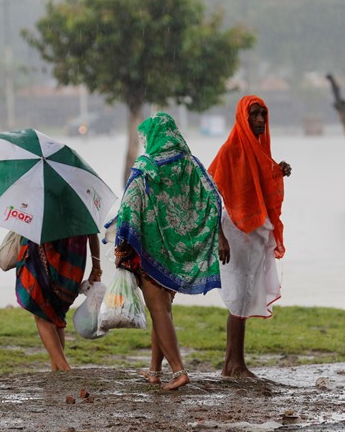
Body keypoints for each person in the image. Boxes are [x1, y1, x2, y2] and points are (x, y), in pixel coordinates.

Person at [113, 113, 226, 390]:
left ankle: (178, 372)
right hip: (177, 253)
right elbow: (213, 198)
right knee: (162, 311)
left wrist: (122, 241)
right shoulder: (189, 164)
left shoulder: (147, 166)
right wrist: (217, 235)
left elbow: (128, 205)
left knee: (158, 311)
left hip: (150, 251)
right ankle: (154, 371)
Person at [208, 95, 291, 378]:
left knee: (245, 293)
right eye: (254, 115)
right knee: (239, 297)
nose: (259, 120)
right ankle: (234, 364)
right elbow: (212, 195)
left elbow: (259, 185)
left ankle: (232, 364)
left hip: (254, 233)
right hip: (234, 233)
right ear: (243, 118)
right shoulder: (230, 150)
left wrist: (278, 171)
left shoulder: (259, 150)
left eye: (263, 115)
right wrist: (219, 236)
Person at [15, 234, 101, 371]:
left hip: (43, 251)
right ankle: (56, 370)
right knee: (55, 316)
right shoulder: (84, 212)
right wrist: (96, 267)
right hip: (72, 259)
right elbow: (92, 231)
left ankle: (64, 367)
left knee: (41, 311)